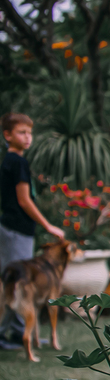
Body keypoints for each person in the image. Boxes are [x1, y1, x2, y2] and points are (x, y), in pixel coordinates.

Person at [0, 113, 66, 349]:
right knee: (13, 281)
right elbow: (24, 200)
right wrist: (48, 225)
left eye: (30, 132)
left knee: (18, 279)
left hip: (18, 229)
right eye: (21, 132)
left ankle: (18, 332)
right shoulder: (17, 162)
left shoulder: (14, 161)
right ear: (7, 135)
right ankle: (6, 333)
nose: (28, 138)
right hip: (15, 229)